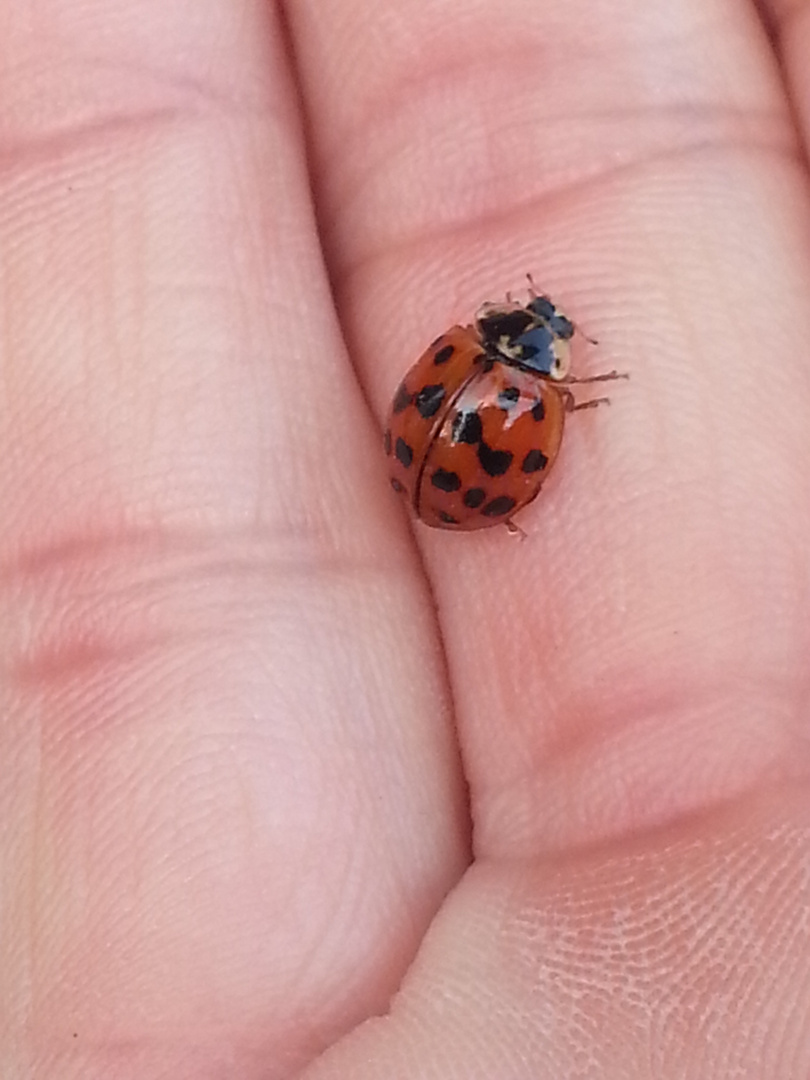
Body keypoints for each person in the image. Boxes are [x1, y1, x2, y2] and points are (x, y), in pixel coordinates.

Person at [2, 1, 808, 1076]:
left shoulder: (491, 366)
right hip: (440, 483)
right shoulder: (531, 391)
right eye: (546, 329)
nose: (547, 326)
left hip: (432, 480)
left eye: (544, 327)